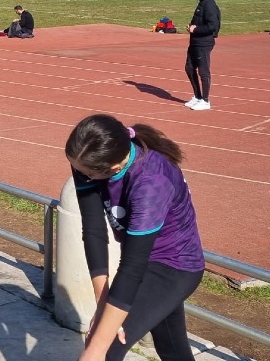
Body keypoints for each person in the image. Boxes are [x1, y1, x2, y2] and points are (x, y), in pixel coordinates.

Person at [66, 115, 204, 361]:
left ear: (114, 169)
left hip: (174, 267)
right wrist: (102, 300)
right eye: (78, 170)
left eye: (85, 174)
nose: (79, 175)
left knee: (105, 349)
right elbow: (94, 230)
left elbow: (132, 268)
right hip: (142, 260)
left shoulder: (150, 182)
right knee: (172, 349)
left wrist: (95, 349)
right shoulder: (88, 163)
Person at [184, 0, 219, 111]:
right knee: (189, 68)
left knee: (203, 71)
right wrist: (191, 27)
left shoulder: (209, 4)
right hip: (195, 42)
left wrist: (196, 30)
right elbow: (199, 21)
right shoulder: (201, 3)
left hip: (203, 43)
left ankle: (205, 100)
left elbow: (213, 25)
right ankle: (197, 96)